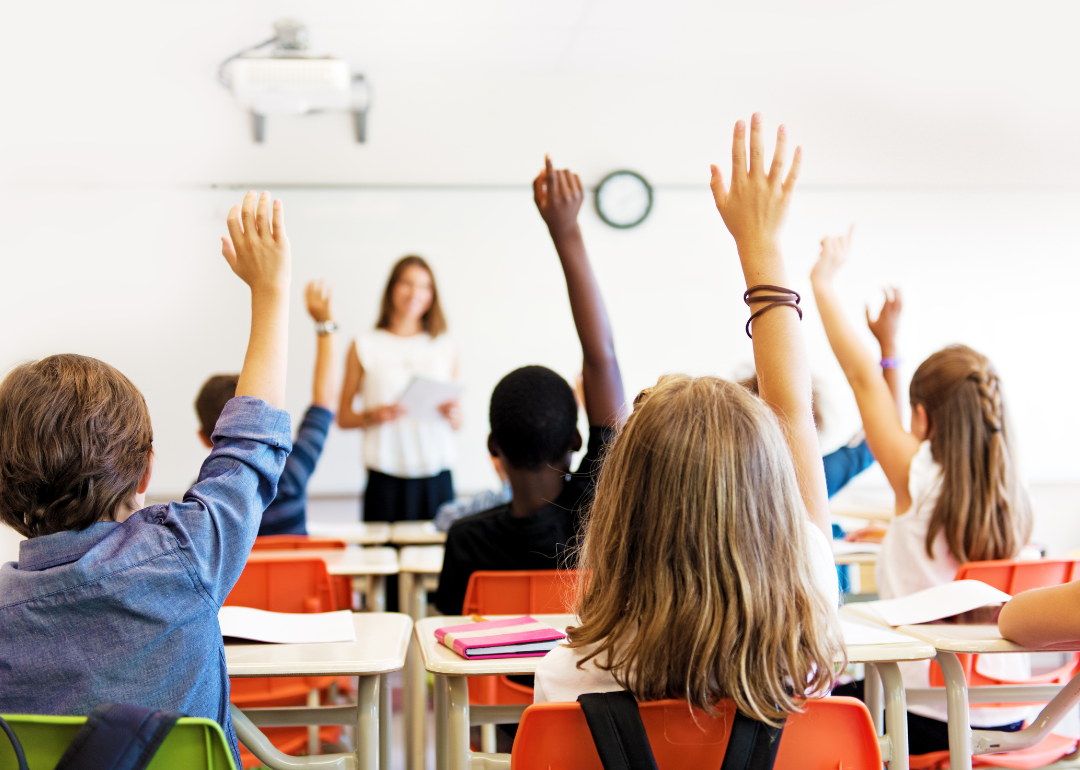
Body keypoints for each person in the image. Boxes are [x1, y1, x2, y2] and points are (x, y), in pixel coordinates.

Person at [535, 115, 842, 723]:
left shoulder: (571, 676)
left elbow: (792, 421)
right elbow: (794, 419)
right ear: (770, 492)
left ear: (622, 505)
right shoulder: (808, 645)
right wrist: (762, 247)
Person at [0, 190, 293, 769]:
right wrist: (271, 291)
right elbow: (251, 445)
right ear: (146, 468)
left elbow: (248, 443)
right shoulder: (185, 558)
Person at [811, 226, 1034, 753]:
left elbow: (863, 380)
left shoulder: (918, 472)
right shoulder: (1013, 493)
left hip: (925, 716)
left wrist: (823, 281)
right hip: (1017, 717)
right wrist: (891, 345)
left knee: (811, 705)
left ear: (922, 416)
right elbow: (878, 388)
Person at [435, 155, 626, 616]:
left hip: (494, 692)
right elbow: (602, 358)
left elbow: (449, 644)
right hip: (585, 690)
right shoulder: (599, 518)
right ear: (577, 440)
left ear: (492, 448)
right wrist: (566, 232)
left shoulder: (466, 540)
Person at [194, 280, 339, 537]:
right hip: (296, 580)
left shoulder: (201, 501)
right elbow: (324, 403)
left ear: (205, 438)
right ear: (260, 421)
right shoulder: (291, 476)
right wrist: (324, 325)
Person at [337, 256, 461, 522]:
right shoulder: (364, 345)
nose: (415, 293)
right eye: (407, 283)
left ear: (432, 295)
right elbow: (343, 417)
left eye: (425, 286)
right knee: (381, 558)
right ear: (392, 287)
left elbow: (458, 422)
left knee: (437, 560)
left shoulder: (444, 346)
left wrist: (454, 414)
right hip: (386, 476)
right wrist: (374, 415)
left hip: (436, 474)